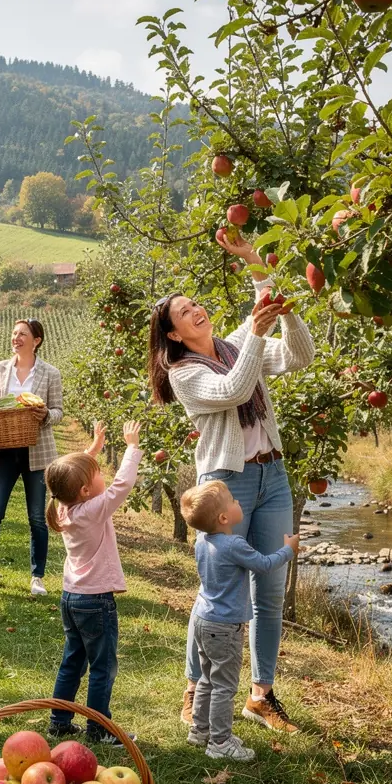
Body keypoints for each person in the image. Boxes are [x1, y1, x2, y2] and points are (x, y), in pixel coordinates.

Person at [147, 231, 315, 734]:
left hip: (273, 474)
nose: (196, 310)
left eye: (195, 303)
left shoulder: (236, 344)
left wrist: (269, 289)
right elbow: (235, 387)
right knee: (219, 590)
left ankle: (261, 694)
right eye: (184, 312)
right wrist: (258, 333)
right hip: (225, 483)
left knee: (270, 590)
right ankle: (195, 686)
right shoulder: (184, 373)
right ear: (173, 334)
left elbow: (300, 354)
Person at [179, 481, 300, 761]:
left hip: (202, 619)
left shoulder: (201, 541)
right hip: (224, 627)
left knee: (207, 679)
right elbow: (265, 565)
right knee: (224, 686)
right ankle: (220, 743)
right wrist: (288, 550)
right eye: (233, 500)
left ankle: (200, 731)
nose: (238, 502)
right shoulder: (234, 544)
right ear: (223, 518)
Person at [45, 420, 142, 746]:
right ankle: (99, 729)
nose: (103, 474)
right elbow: (122, 486)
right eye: (97, 471)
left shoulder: (62, 506)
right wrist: (131, 448)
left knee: (73, 659)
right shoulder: (94, 510)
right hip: (95, 600)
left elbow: (68, 478)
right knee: (102, 667)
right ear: (85, 490)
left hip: (71, 597)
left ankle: (58, 722)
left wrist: (94, 448)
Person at [0, 318, 63, 597]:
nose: (16, 337)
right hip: (3, 449)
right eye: (14, 333)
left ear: (36, 340)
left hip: (37, 453)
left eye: (22, 333)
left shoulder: (50, 373)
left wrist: (46, 415)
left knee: (37, 517)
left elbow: (59, 411)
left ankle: (37, 576)